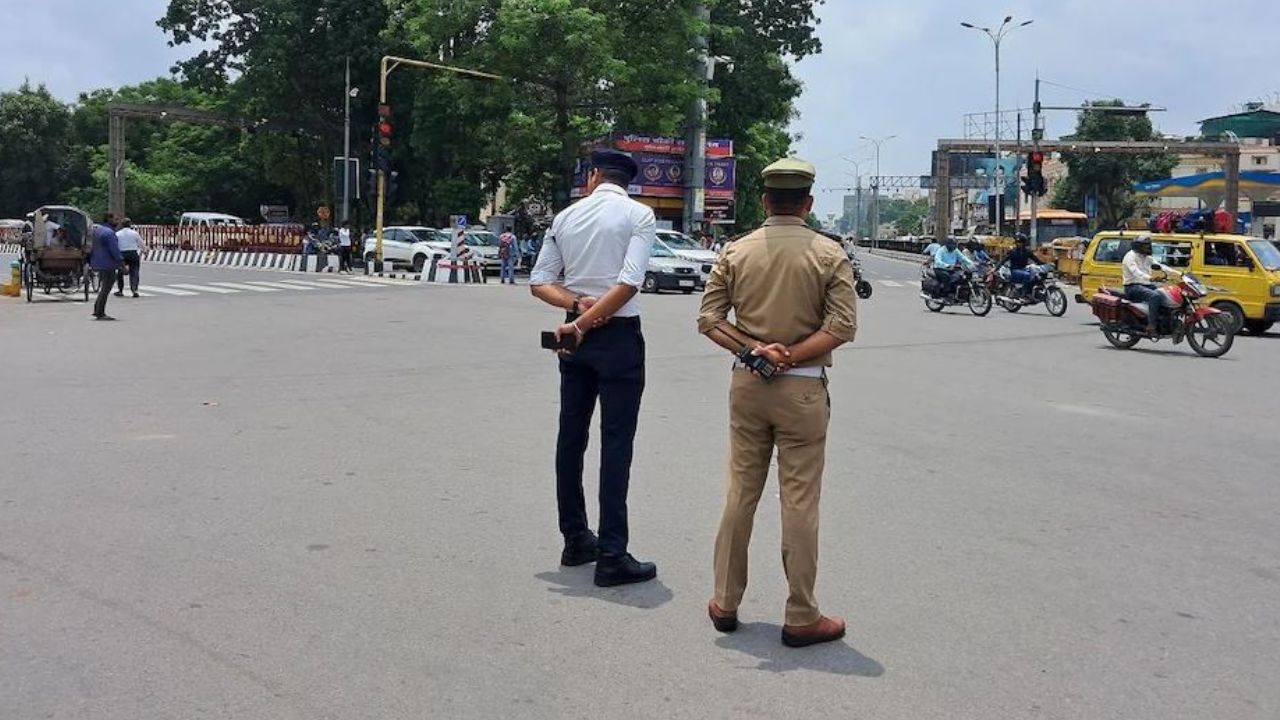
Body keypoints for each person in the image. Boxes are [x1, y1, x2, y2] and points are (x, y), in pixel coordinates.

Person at [698, 156, 857, 648]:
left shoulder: (735, 251)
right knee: (800, 501)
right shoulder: (829, 253)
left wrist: (755, 350)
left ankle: (725, 601)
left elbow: (709, 319)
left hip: (748, 385)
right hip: (803, 390)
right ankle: (802, 614)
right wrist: (790, 356)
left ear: (765, 201)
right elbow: (842, 326)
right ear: (807, 203)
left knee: (739, 492)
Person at [529, 149, 658, 588]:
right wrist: (586, 320)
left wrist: (576, 308)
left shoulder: (565, 217)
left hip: (573, 338)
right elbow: (629, 282)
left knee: (571, 437)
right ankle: (612, 555)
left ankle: (575, 539)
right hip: (616, 337)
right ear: (625, 181)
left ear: (595, 176)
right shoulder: (638, 215)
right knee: (616, 443)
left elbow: (539, 282)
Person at [1122, 234, 1164, 334]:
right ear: (1138, 246)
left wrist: (1180, 274)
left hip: (1145, 285)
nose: (1148, 248)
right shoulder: (1130, 256)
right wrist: (1150, 278)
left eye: (1149, 245)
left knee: (1163, 293)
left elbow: (1160, 266)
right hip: (1132, 287)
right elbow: (1135, 272)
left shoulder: (1147, 257)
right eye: (1145, 246)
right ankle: (1151, 325)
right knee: (1155, 296)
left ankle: (1162, 319)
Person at [89, 217, 123, 320]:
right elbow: (115, 251)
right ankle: (100, 312)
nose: (118, 223)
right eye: (116, 220)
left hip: (97, 262)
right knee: (106, 288)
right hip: (108, 264)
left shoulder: (97, 231)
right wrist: (122, 264)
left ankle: (97, 309)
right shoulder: (109, 233)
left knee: (104, 287)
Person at [114, 218, 145, 298]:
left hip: (122, 254)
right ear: (130, 224)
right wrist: (144, 251)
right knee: (134, 271)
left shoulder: (118, 234)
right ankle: (134, 290)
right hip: (133, 253)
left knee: (120, 272)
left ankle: (120, 290)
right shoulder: (134, 233)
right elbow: (141, 243)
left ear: (122, 225)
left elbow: (115, 245)